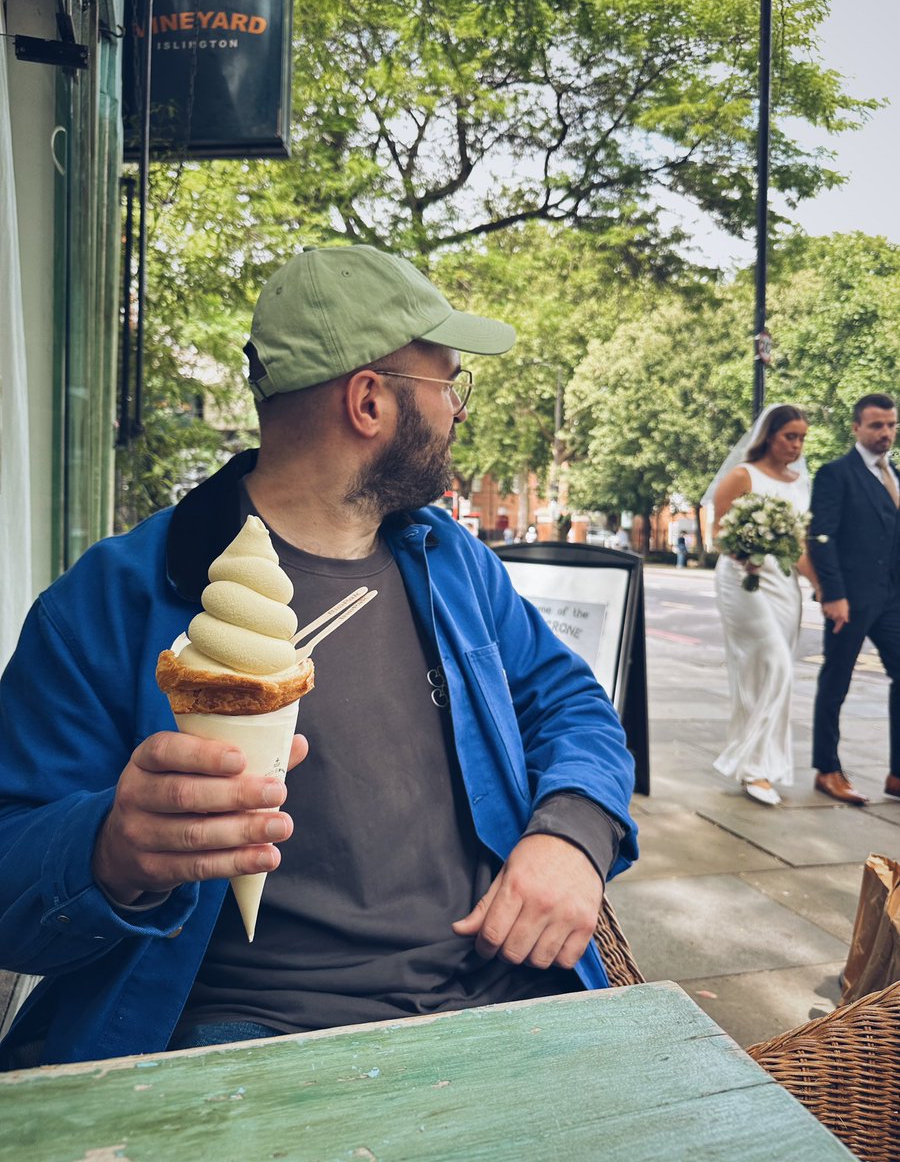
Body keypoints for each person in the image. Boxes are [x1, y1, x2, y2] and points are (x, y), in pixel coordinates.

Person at [0, 245, 637, 1069]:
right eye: (449, 386)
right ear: (369, 401)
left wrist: (573, 834)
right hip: (242, 1034)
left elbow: (569, 701)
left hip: (499, 991)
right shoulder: (111, 602)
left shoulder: (452, 561)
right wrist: (109, 849)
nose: (458, 413)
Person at [708, 405, 814, 806]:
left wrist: (823, 587)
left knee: (770, 669)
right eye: (790, 436)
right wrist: (747, 548)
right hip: (743, 578)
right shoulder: (742, 476)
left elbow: (800, 546)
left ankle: (764, 764)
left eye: (802, 437)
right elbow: (717, 535)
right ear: (769, 435)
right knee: (775, 664)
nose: (797, 445)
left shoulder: (800, 481)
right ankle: (752, 767)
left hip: (784, 584)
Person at [808, 393, 900, 805]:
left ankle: (898, 774)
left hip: (891, 598)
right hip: (850, 599)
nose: (886, 433)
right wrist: (834, 594)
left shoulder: (893, 474)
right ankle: (827, 769)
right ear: (857, 428)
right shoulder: (835, 473)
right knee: (836, 682)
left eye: (891, 425)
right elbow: (821, 537)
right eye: (877, 425)